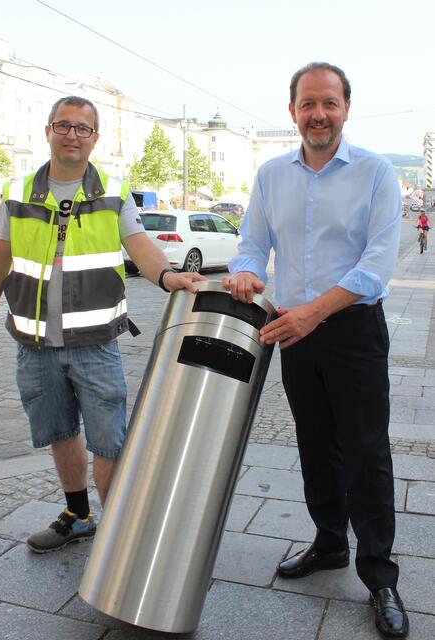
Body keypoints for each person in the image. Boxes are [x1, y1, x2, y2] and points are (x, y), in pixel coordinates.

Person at [0, 96, 205, 554]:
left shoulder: (112, 192)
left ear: (95, 138)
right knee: (59, 431)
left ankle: (116, 531)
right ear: (48, 130)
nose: (72, 135)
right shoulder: (17, 193)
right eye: (64, 126)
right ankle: (78, 515)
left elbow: (139, 245)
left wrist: (169, 275)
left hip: (95, 344)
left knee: (109, 439)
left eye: (82, 128)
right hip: (34, 345)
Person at [223, 63, 408, 639]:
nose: (318, 114)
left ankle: (379, 575)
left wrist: (312, 311)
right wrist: (247, 275)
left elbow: (376, 266)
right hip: (293, 332)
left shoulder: (377, 174)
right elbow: (251, 244)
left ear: (346, 108)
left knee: (368, 452)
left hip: (350, 329)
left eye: (328, 103)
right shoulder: (272, 174)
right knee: (314, 444)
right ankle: (329, 543)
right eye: (308, 104)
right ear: (293, 111)